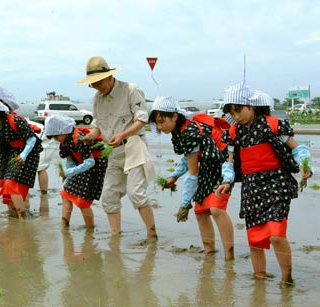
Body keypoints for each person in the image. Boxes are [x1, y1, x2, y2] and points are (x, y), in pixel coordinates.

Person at [215, 82, 313, 285]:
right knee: (256, 239)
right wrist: (226, 181)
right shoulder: (234, 133)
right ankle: (259, 281)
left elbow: (297, 148)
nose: (236, 116)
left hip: (277, 183)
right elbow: (229, 162)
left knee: (276, 234)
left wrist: (304, 164)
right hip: (251, 187)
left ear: (251, 106)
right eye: (231, 112)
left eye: (239, 110)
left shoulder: (273, 125)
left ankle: (287, 279)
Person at [77, 56, 157, 242]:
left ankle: (152, 235)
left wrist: (122, 135)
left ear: (109, 76)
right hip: (113, 152)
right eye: (93, 84)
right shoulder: (97, 99)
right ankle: (115, 237)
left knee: (136, 193)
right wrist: (91, 135)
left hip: (134, 146)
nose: (97, 87)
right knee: (109, 196)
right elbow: (98, 125)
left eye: (99, 82)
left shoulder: (131, 91)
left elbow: (142, 120)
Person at [148, 96, 234, 260]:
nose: (160, 127)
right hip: (208, 165)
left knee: (216, 209)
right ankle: (210, 252)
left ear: (174, 115)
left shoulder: (189, 131)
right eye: (157, 124)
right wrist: (174, 176)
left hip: (223, 165)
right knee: (201, 211)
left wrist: (184, 204)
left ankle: (229, 257)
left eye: (161, 121)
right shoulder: (179, 130)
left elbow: (193, 173)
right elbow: (189, 157)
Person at [0, 95, 42, 219]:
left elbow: (31, 139)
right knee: (7, 184)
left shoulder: (15, 120)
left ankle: (21, 216)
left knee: (11, 183)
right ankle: (14, 215)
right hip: (13, 152)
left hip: (29, 153)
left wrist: (23, 155)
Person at [44, 115, 108, 230]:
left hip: (95, 166)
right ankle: (64, 225)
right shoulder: (64, 143)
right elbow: (70, 161)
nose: (55, 140)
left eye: (56, 137)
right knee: (66, 194)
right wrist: (68, 177)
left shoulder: (80, 139)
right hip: (81, 165)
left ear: (62, 132)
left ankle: (90, 229)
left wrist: (68, 172)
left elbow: (90, 162)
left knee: (82, 200)